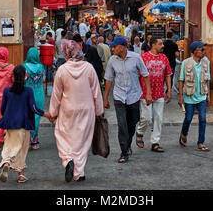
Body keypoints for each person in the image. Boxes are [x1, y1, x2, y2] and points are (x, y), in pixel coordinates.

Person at [49, 40, 104, 182]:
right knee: (83, 141)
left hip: (68, 109)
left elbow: (56, 94)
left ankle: (68, 160)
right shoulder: (89, 68)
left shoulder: (62, 70)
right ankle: (79, 172)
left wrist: (53, 112)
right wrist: (99, 111)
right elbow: (96, 91)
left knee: (63, 136)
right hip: (87, 109)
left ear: (66, 52)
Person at [0, 65, 51, 183]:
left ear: (13, 77)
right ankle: (21, 175)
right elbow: (34, 108)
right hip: (24, 125)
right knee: (22, 149)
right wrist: (47, 115)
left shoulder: (7, 91)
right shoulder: (28, 91)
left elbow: (2, 110)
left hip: (10, 125)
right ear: (25, 76)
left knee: (9, 146)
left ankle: (6, 162)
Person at [104, 36, 152, 164]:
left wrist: (148, 94)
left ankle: (128, 144)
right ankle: (124, 152)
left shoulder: (136, 58)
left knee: (132, 123)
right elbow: (108, 79)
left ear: (123, 47)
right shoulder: (112, 61)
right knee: (122, 124)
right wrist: (105, 98)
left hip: (134, 96)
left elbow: (145, 75)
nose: (112, 48)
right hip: (119, 96)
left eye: (115, 46)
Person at [136, 38, 172, 153]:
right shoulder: (144, 58)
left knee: (158, 118)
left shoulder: (164, 58)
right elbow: (137, 75)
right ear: (152, 45)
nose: (162, 46)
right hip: (145, 93)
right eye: (160, 44)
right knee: (146, 117)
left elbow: (168, 74)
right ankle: (140, 132)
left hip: (160, 92)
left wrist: (169, 90)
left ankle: (155, 142)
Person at [178, 41, 210, 152]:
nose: (204, 52)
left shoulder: (206, 62)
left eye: (204, 49)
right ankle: (184, 133)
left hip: (201, 96)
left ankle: (200, 142)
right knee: (188, 118)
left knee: (202, 118)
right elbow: (181, 80)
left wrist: (208, 94)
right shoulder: (186, 63)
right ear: (195, 51)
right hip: (189, 96)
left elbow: (207, 79)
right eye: (202, 49)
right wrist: (180, 96)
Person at [23, 47, 46, 150]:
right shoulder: (41, 67)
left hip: (27, 93)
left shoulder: (24, 67)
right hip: (39, 93)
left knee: (27, 116)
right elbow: (43, 79)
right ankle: (34, 141)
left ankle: (26, 140)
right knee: (37, 117)